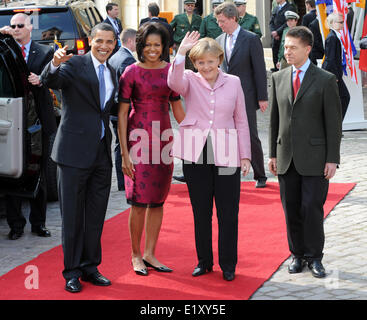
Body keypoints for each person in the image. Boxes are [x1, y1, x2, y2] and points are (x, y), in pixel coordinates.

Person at [167, 32, 251, 282]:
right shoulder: (189, 79)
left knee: (228, 211)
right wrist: (180, 52)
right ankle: (204, 261)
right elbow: (173, 83)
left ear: (220, 59)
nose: (206, 66)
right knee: (200, 210)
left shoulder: (234, 82)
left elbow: (241, 119)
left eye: (210, 61)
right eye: (200, 62)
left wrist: (245, 155)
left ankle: (228, 264)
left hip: (226, 151)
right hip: (196, 151)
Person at [41, 23, 118, 293]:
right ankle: (71, 272)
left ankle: (90, 267)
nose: (104, 46)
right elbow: (51, 80)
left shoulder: (111, 70)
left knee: (95, 216)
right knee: (72, 217)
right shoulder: (74, 65)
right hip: (73, 154)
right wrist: (54, 63)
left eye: (109, 42)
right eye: (99, 41)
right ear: (91, 40)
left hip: (100, 154)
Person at [268, 26, 342, 279]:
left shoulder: (325, 79)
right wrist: (272, 154)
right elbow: (274, 120)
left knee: (311, 208)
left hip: (315, 158)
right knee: (291, 208)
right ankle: (297, 255)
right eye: (285, 47)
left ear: (307, 49)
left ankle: (315, 257)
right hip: (286, 156)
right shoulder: (278, 78)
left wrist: (333, 158)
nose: (287, 51)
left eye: (292, 48)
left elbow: (333, 123)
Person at [118, 22, 185, 276]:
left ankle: (150, 254)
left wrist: (201, 127)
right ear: (140, 46)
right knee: (138, 202)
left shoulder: (171, 72)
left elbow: (178, 110)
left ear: (164, 46)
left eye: (157, 45)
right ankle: (135, 255)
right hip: (137, 141)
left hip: (164, 140)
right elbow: (122, 115)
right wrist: (125, 154)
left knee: (157, 201)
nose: (153, 49)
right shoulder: (131, 73)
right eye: (148, 45)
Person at [0, 13, 56, 240]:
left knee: (38, 173)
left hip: (38, 122)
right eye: (12, 26)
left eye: (20, 25)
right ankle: (16, 225)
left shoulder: (45, 52)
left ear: (30, 27)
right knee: (13, 172)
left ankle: (38, 223)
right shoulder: (5, 49)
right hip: (14, 121)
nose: (16, 29)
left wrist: (42, 80)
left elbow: (56, 79)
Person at [215, 2, 268, 188]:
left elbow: (260, 70)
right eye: (218, 21)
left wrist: (262, 97)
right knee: (226, 135)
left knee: (250, 135)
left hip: (246, 94)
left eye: (222, 21)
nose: (219, 24)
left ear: (233, 19)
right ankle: (229, 173)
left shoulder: (251, 39)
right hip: (225, 95)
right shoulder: (219, 39)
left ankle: (260, 175)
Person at [108, 29, 137, 192]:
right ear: (131, 41)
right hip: (122, 110)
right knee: (123, 145)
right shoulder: (127, 59)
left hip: (115, 109)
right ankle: (123, 180)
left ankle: (122, 180)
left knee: (120, 144)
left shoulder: (116, 56)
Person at [322, 12, 351, 121]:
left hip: (335, 74)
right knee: (344, 97)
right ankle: (336, 126)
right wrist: (334, 76)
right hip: (333, 75)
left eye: (343, 22)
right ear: (333, 23)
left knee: (339, 99)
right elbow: (330, 59)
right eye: (340, 22)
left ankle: (335, 125)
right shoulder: (332, 38)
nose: (343, 25)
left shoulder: (335, 36)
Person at [170, 0, 202, 70]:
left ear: (194, 7)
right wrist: (172, 42)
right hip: (180, 44)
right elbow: (169, 29)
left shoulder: (198, 19)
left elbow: (201, 32)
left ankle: (190, 79)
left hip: (193, 45)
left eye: (192, 5)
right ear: (184, 6)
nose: (190, 7)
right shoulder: (178, 17)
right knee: (180, 63)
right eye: (188, 5)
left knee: (192, 64)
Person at [269, 0, 297, 72]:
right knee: (275, 50)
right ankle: (276, 67)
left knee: (283, 49)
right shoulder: (275, 8)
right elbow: (271, 21)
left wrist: (278, 32)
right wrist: (273, 32)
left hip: (283, 33)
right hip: (275, 35)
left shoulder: (290, 7)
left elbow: (287, 23)